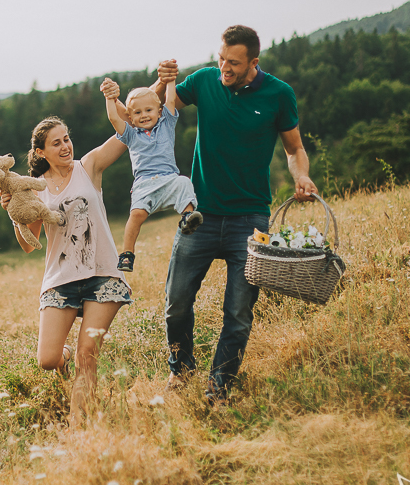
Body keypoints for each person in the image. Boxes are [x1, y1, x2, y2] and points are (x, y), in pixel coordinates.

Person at [102, 25, 318, 406]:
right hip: (198, 214)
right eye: (221, 58)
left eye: (233, 63)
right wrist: (162, 79)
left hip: (249, 218)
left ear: (254, 61)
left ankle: (219, 386)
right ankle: (180, 368)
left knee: (237, 311)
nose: (224, 68)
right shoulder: (204, 81)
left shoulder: (278, 94)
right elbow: (148, 109)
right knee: (176, 302)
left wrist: (301, 175)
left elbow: (294, 147)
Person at [0, 115, 131, 425]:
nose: (65, 146)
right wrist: (14, 215)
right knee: (47, 360)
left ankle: (79, 427)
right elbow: (29, 245)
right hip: (61, 279)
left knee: (89, 354)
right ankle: (65, 356)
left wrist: (153, 92)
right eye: (56, 143)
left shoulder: (89, 167)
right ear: (41, 152)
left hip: (102, 275)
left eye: (67, 139)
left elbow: (126, 133)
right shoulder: (34, 191)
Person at [102, 69, 203, 273]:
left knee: (184, 182)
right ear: (130, 117)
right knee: (136, 216)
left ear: (159, 111)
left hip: (168, 179)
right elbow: (114, 118)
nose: (144, 116)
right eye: (137, 113)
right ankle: (127, 254)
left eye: (149, 110)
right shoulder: (130, 134)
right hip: (144, 184)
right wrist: (109, 98)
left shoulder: (167, 123)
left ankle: (187, 217)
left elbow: (171, 101)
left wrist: (171, 81)